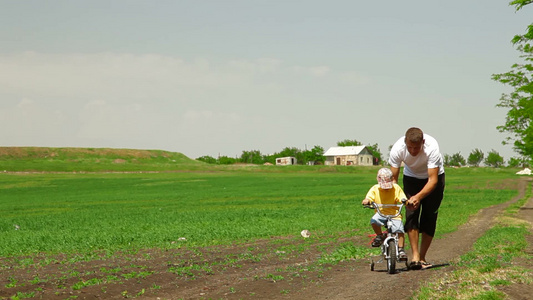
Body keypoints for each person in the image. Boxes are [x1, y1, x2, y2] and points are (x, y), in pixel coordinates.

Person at [388, 127, 445, 270]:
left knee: (429, 217)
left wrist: (418, 197)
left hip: (434, 179)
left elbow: (432, 180)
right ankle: (415, 257)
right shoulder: (397, 149)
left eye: (416, 147)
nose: (413, 151)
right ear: (405, 141)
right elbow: (393, 180)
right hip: (411, 178)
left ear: (423, 142)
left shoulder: (432, 147)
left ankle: (423, 257)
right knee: (411, 214)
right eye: (410, 147)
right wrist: (400, 197)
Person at [362, 168, 408, 260]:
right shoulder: (375, 189)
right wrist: (367, 201)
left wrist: (405, 201)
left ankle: (401, 249)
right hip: (381, 213)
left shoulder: (396, 188)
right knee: (374, 221)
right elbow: (369, 197)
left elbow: (402, 197)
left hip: (394, 213)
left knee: (399, 230)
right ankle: (379, 235)